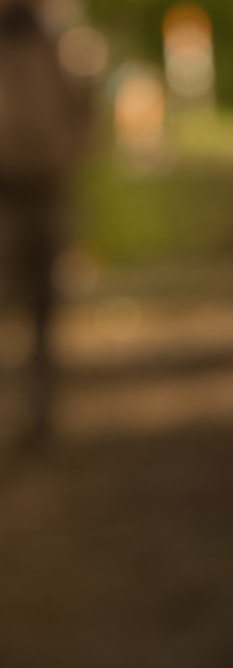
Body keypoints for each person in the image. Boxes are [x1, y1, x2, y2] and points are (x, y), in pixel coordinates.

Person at [0, 0, 88, 445]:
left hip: (48, 194)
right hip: (6, 199)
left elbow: (76, 110)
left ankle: (40, 412)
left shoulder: (52, 45)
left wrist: (68, 153)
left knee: (43, 308)